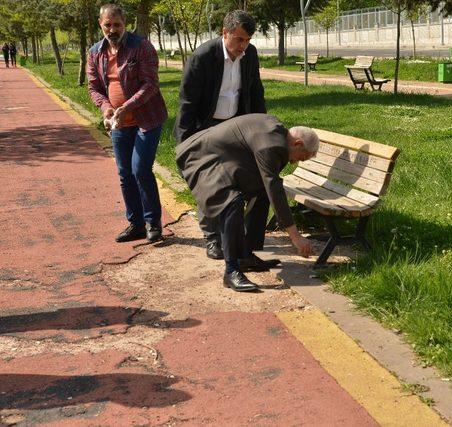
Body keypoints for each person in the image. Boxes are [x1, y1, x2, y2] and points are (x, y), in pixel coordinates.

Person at [176, 114, 316, 292]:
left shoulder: (278, 133)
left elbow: (269, 185)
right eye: (301, 157)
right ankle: (231, 270)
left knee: (262, 194)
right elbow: (274, 188)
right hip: (199, 157)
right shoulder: (272, 145)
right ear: (297, 143)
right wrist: (295, 237)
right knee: (231, 202)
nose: (295, 162)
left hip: (224, 156)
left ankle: (245, 256)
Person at [174, 10, 266, 261]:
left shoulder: (250, 55)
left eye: (248, 40)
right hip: (205, 128)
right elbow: (187, 104)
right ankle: (212, 239)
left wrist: (262, 130)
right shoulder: (202, 57)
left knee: (247, 181)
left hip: (237, 127)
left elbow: (256, 92)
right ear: (224, 33)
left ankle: (243, 240)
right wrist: (185, 145)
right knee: (211, 185)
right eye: (239, 39)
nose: (243, 46)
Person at [87, 3, 168, 243]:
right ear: (100, 25)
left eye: (117, 24)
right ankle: (136, 223)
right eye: (108, 25)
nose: (112, 29)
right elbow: (94, 87)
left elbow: (150, 85)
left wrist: (126, 107)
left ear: (125, 25)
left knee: (140, 169)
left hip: (146, 119)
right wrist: (106, 108)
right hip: (118, 123)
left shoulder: (142, 47)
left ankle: (153, 223)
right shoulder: (95, 52)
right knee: (124, 174)